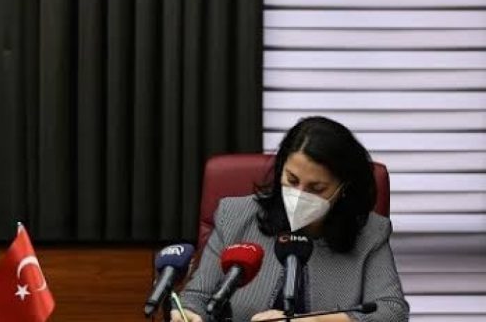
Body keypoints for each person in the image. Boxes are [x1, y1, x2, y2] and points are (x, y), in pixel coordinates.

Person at [172, 116, 409, 322]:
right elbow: (197, 297)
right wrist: (189, 313)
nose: (299, 195)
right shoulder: (235, 215)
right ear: (280, 170)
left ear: (343, 188)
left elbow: (392, 312)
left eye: (316, 188)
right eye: (292, 180)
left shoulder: (369, 233)